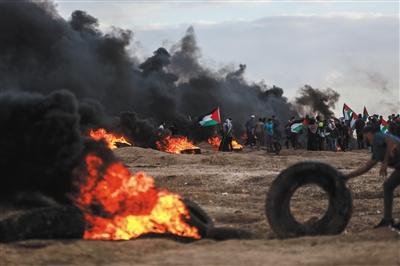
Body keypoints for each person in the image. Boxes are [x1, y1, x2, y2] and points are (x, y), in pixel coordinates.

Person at [344, 126, 400, 229]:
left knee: (388, 186)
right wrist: (347, 176)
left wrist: (385, 162)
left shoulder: (377, 137)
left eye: (364, 135)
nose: (364, 137)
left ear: (369, 133)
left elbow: (391, 142)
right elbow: (366, 167)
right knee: (388, 186)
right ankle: (388, 219)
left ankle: (388, 220)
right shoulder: (377, 147)